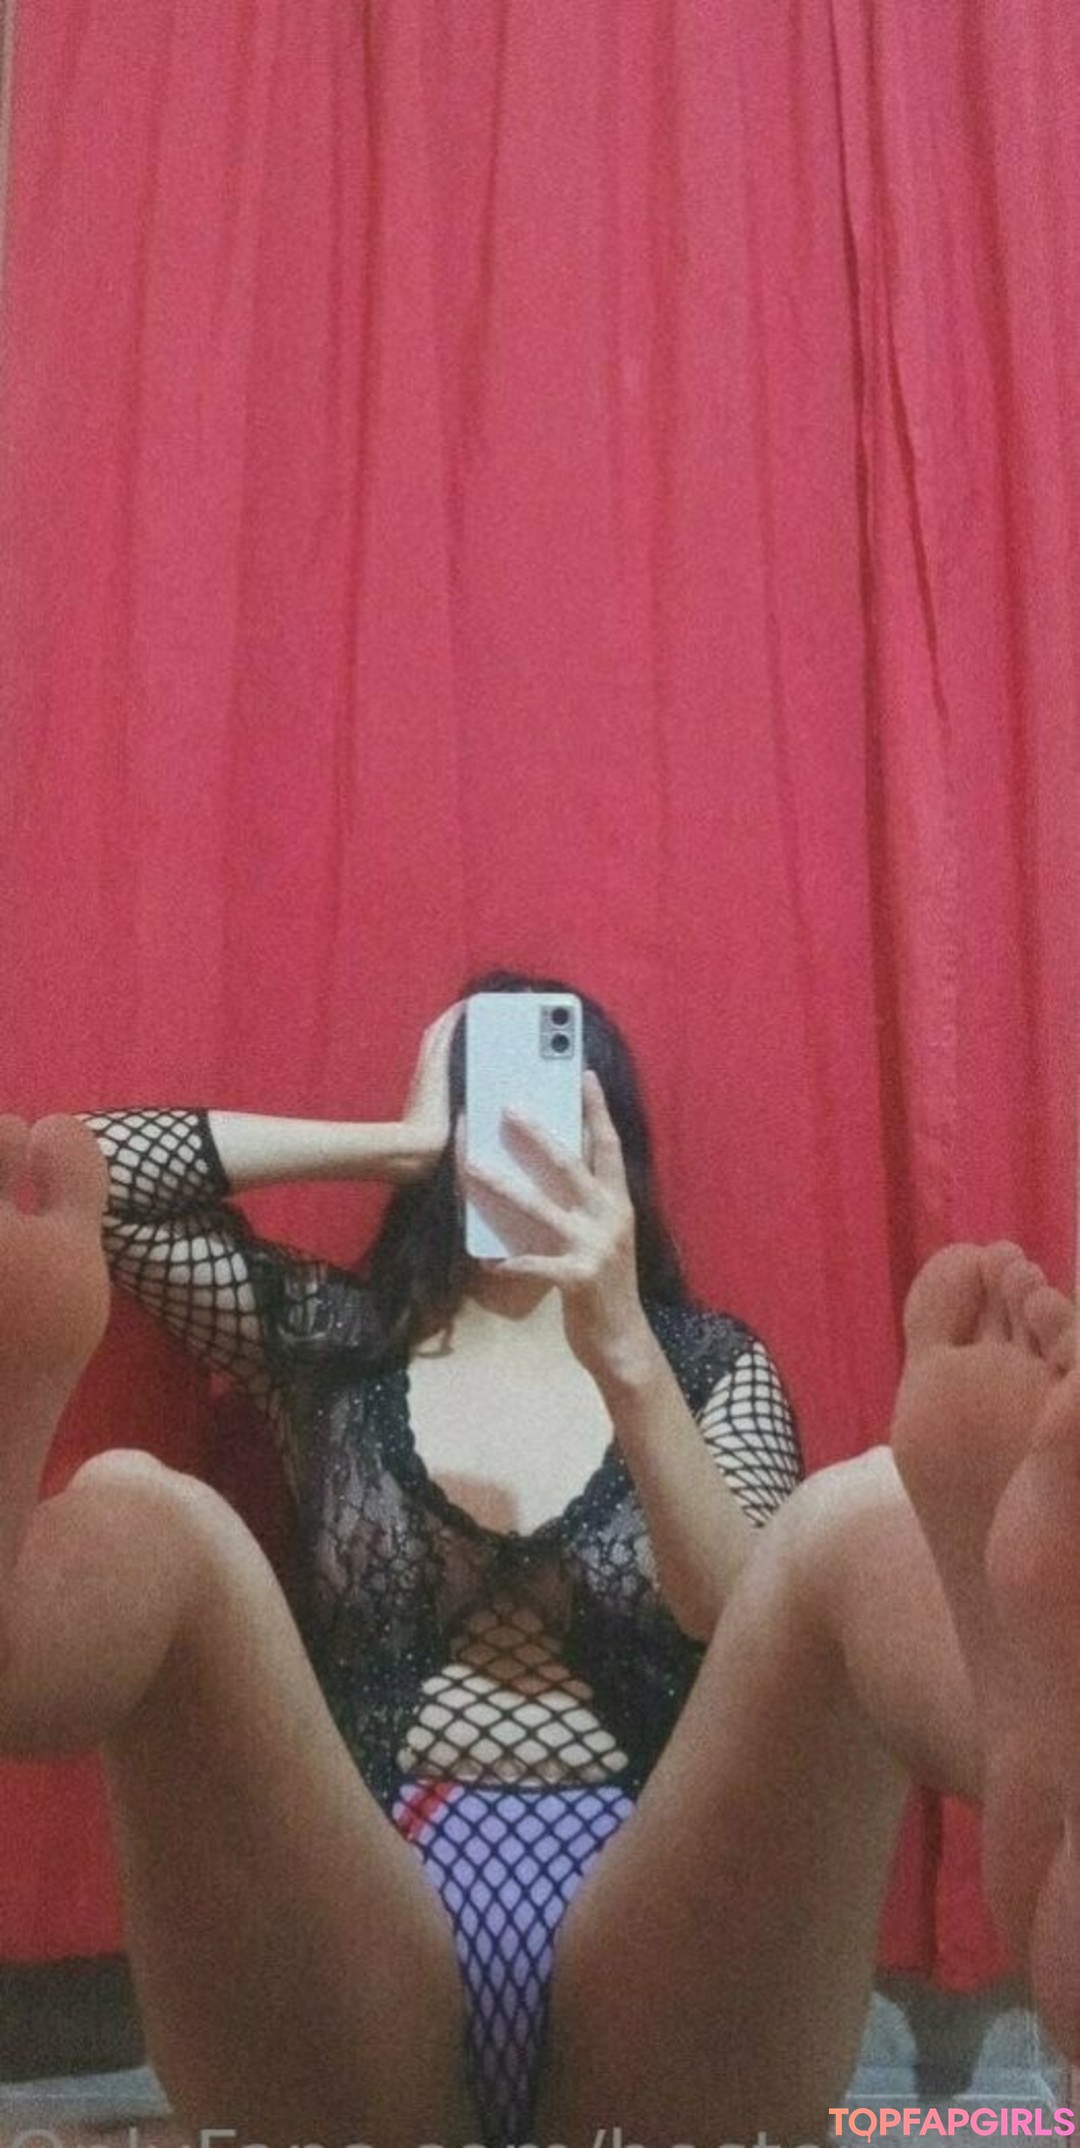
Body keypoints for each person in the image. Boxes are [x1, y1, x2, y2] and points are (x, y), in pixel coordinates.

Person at [0, 975, 1077, 2148]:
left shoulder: (705, 1366)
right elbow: (79, 1183)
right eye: (481, 1102)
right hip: (354, 1937)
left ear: (608, 1136)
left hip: (664, 1944)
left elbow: (746, 1624)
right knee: (150, 1511)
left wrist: (624, 1347)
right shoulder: (333, 1341)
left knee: (855, 1517)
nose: (509, 1135)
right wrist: (390, 1145)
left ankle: (1042, 1775)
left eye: (547, 1100)